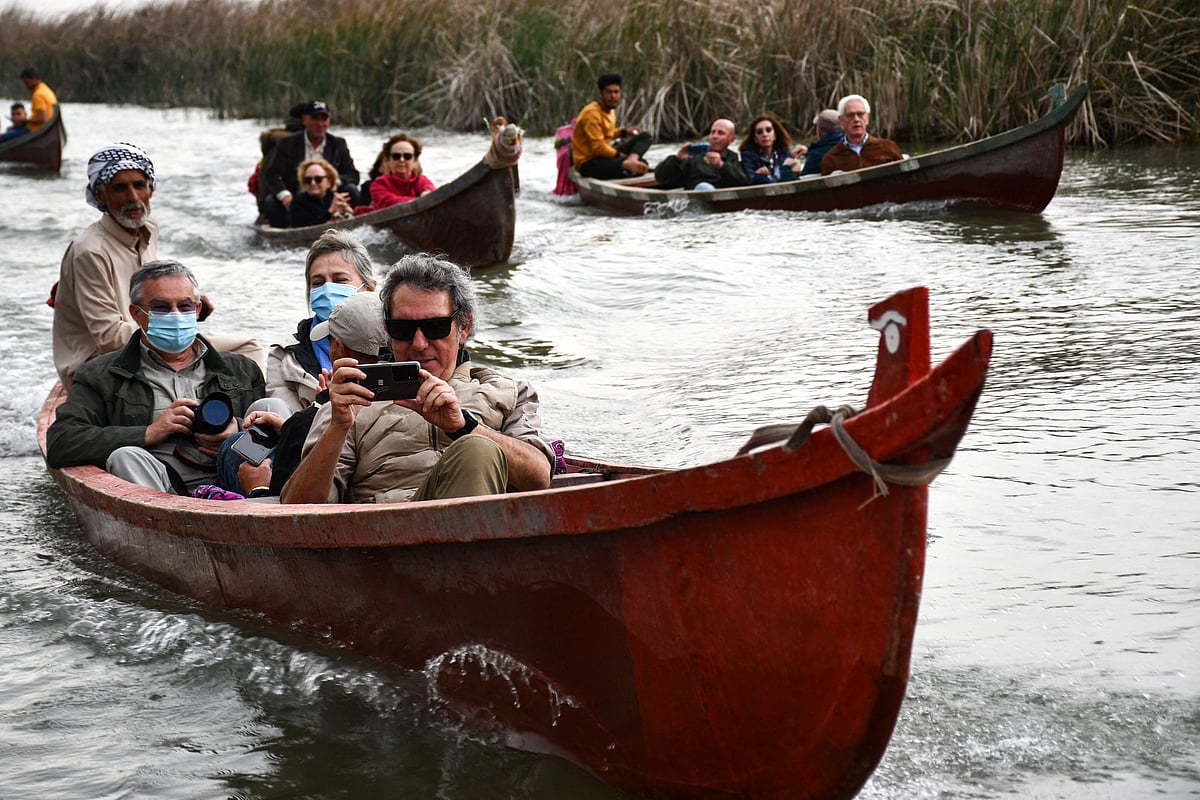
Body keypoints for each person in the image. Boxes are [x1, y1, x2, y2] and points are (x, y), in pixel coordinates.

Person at [280, 252, 555, 505]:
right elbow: (298, 510)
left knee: (477, 448)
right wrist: (337, 427)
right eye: (403, 329)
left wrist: (463, 426)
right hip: (384, 538)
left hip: (481, 533)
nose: (420, 343)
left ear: (464, 327)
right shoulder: (351, 402)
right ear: (388, 331)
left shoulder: (509, 391)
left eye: (435, 327)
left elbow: (540, 476)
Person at [45, 261, 269, 496]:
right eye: (161, 307)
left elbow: (267, 436)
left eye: (184, 306)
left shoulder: (241, 369)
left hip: (236, 478)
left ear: (198, 309)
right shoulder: (102, 375)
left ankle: (265, 500)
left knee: (270, 409)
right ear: (136, 313)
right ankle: (165, 523)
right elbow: (62, 442)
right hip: (161, 487)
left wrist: (235, 430)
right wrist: (150, 432)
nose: (175, 316)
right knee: (125, 456)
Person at [50, 143, 263, 386]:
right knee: (238, 350)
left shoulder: (149, 228)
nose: (133, 197)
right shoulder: (89, 251)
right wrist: (172, 329)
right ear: (101, 196)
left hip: (147, 344)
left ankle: (253, 418)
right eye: (120, 188)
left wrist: (183, 308)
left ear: (151, 188)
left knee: (247, 350)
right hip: (100, 364)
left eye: (139, 185)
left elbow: (149, 290)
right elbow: (109, 339)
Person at [260, 290, 391, 497]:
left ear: (338, 348)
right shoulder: (429, 396)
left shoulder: (316, 419)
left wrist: (256, 487)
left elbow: (287, 509)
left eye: (329, 342)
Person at [267, 228, 378, 413]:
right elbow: (287, 428)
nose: (328, 290)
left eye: (340, 280)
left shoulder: (397, 343)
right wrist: (325, 405)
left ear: (368, 288)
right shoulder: (285, 355)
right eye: (318, 283)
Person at [262, 100, 360, 227]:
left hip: (326, 196)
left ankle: (353, 223)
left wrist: (334, 182)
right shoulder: (287, 143)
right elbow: (272, 175)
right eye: (315, 119)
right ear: (304, 120)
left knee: (352, 190)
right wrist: (285, 195)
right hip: (296, 197)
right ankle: (286, 232)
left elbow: (353, 174)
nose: (320, 124)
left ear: (329, 121)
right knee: (271, 202)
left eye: (324, 119)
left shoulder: (338, 143)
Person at [571, 73, 652, 179]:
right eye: (608, 92)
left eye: (616, 92)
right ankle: (626, 164)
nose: (613, 96)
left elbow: (607, 133)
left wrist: (624, 132)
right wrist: (618, 155)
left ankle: (631, 161)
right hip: (588, 162)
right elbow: (598, 148)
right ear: (601, 93)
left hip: (604, 156)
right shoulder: (591, 113)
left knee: (645, 136)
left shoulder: (610, 110)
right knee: (641, 164)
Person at [653, 118, 749, 191]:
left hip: (721, 196)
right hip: (699, 195)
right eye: (713, 132)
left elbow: (742, 182)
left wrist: (721, 166)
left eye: (721, 133)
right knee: (704, 187)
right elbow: (661, 177)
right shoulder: (695, 155)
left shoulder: (733, 158)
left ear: (731, 139)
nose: (715, 136)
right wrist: (677, 159)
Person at [820, 95, 903, 175]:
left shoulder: (888, 148)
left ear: (867, 118)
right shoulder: (831, 158)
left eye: (860, 114)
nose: (856, 119)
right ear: (841, 121)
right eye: (850, 115)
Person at [355, 133, 435, 214]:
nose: (402, 160)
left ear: (414, 160)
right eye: (396, 156)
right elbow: (390, 203)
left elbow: (430, 192)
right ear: (389, 160)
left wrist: (427, 195)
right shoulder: (378, 184)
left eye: (407, 156)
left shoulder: (422, 180)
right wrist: (421, 201)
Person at [288, 159, 354, 227]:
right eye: (308, 180)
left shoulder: (333, 198)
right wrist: (330, 211)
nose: (313, 183)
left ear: (329, 182)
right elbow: (304, 230)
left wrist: (348, 211)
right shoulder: (297, 203)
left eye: (318, 179)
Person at [739, 113, 801, 185]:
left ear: (775, 135)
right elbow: (750, 179)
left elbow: (792, 181)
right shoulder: (748, 156)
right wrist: (758, 176)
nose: (765, 134)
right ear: (755, 139)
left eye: (768, 130)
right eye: (760, 132)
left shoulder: (784, 153)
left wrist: (787, 167)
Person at [799, 109, 842, 176]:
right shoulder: (848, 145)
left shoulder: (815, 157)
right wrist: (809, 149)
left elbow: (801, 181)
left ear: (819, 131)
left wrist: (786, 168)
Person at [19, 67, 57, 133]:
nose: (26, 86)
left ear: (34, 79)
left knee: (3, 138)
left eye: (27, 83)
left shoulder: (38, 95)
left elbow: (43, 119)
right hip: (49, 129)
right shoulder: (47, 90)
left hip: (36, 130)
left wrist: (24, 121)